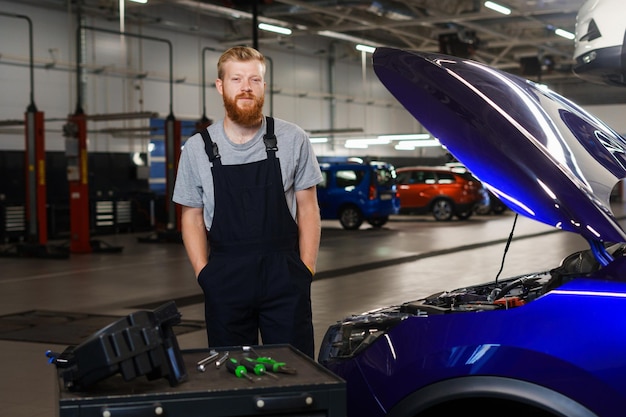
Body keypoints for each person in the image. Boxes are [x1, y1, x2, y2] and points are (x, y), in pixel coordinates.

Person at [172, 46, 322, 358]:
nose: (245, 88)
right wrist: (205, 274)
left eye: (254, 80)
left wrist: (305, 268)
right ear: (220, 85)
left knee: (294, 370)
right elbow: (191, 216)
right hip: (226, 277)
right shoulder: (197, 148)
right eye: (236, 79)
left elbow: (308, 207)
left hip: (284, 275)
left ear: (264, 86)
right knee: (233, 374)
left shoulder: (293, 138)